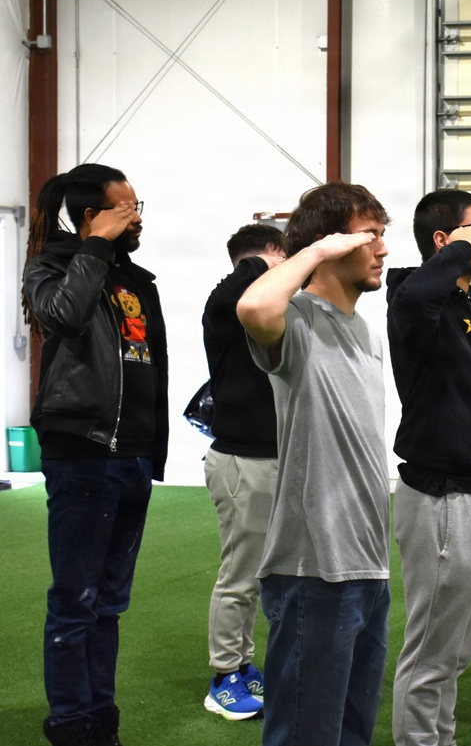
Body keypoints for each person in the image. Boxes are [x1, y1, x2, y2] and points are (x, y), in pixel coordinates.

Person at [236, 181, 392, 746]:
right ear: (331, 243)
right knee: (306, 734)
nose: (382, 248)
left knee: (351, 732)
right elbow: (253, 305)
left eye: (382, 235)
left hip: (367, 565)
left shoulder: (366, 332)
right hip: (314, 567)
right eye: (369, 235)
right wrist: (316, 249)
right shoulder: (297, 317)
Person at [22, 163, 168, 746]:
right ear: (93, 216)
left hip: (132, 457)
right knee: (75, 601)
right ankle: (70, 724)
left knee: (107, 604)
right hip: (83, 454)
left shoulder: (136, 279)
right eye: (127, 208)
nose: (138, 218)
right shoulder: (53, 267)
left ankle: (100, 721)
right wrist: (94, 249)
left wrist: (153, 448)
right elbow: (63, 315)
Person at [387, 189, 471, 746]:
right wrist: (460, 250)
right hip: (444, 495)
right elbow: (417, 295)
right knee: (432, 653)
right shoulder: (414, 299)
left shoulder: (466, 308)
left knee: (457, 652)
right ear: (445, 241)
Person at [201, 224, 287, 720]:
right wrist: (263, 262)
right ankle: (223, 677)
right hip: (242, 462)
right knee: (239, 577)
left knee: (260, 576)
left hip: (272, 459)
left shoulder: (262, 310)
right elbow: (233, 287)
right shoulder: (226, 303)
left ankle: (243, 664)